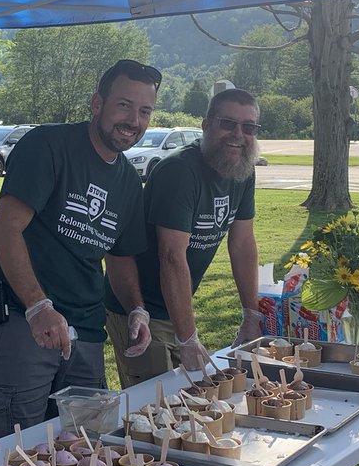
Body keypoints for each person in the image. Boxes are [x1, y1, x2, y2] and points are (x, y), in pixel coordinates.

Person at [0, 59, 158, 437]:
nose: (134, 120)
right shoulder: (48, 145)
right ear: (97, 104)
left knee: (88, 449)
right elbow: (6, 230)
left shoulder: (128, 180)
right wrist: (39, 307)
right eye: (124, 105)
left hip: (88, 333)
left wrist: (136, 309)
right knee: (16, 452)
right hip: (23, 325)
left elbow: (121, 257)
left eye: (145, 111)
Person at [104, 89, 261, 386]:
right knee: (155, 408)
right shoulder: (179, 172)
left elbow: (242, 245)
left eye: (249, 127)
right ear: (206, 125)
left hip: (175, 302)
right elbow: (171, 256)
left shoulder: (243, 170)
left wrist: (250, 315)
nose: (238, 135)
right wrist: (187, 339)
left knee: (189, 399)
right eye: (228, 124)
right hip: (141, 308)